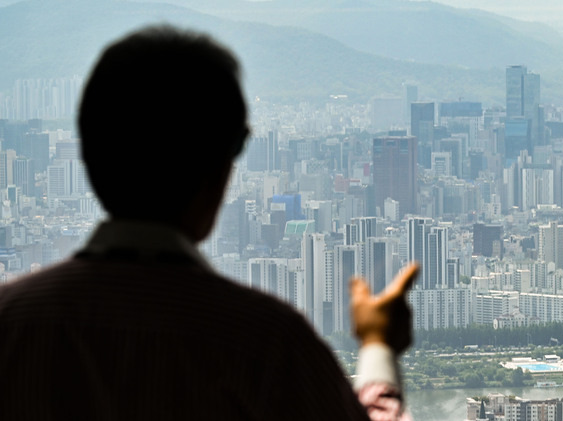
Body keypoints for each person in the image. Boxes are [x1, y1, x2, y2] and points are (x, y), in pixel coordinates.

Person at [0, 25, 418, 420]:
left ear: (88, 159)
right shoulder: (264, 344)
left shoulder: (11, 321)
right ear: (219, 169)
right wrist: (377, 346)